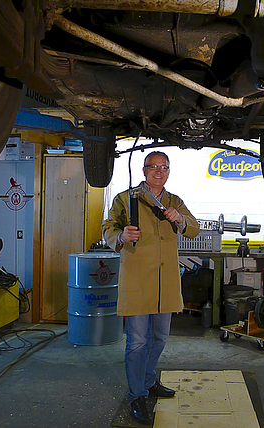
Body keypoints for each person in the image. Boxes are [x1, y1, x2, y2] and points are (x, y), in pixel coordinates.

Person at [102, 151, 200, 425]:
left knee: (160, 338)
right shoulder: (127, 198)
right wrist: (120, 235)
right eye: (153, 167)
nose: (159, 171)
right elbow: (107, 227)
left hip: (166, 281)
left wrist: (179, 219)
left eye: (164, 168)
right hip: (137, 280)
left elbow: (193, 228)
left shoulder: (174, 201)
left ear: (168, 172)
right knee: (137, 342)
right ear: (144, 170)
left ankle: (147, 380)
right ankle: (137, 395)